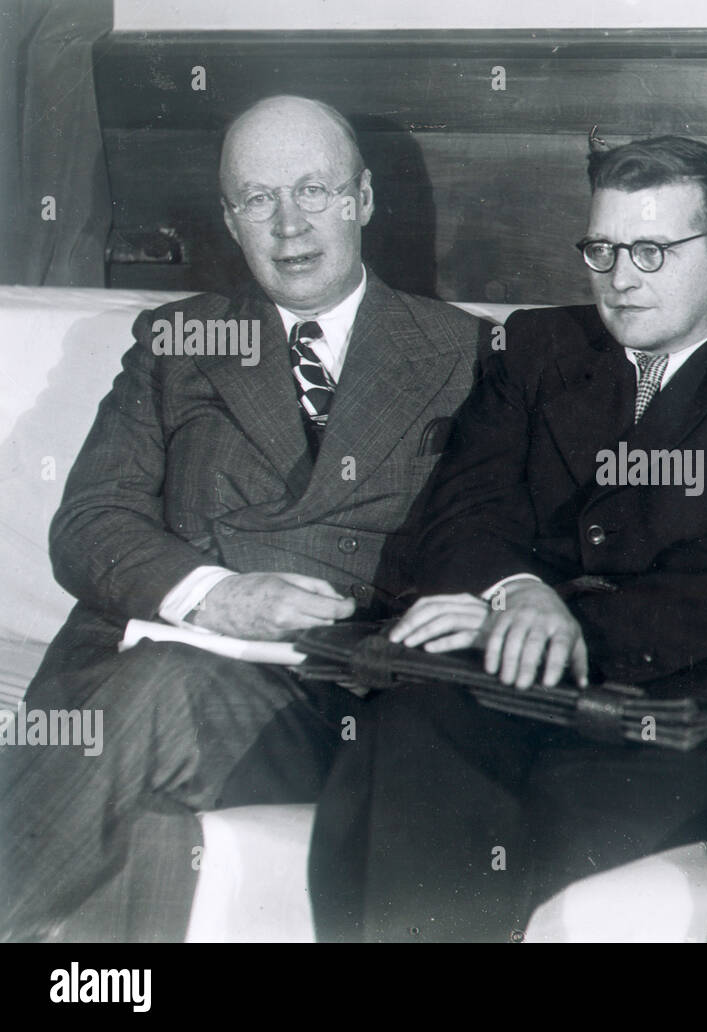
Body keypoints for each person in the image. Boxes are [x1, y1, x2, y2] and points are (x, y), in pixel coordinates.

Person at [308, 135, 707, 941]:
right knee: (405, 739)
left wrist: (558, 621)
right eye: (601, 249)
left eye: (651, 249)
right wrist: (516, 594)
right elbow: (463, 506)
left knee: (551, 825)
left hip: (691, 700)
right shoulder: (538, 347)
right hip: (506, 674)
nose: (620, 277)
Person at [0, 95, 488, 942]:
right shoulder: (181, 340)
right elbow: (91, 521)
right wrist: (215, 595)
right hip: (147, 655)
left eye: (314, 191)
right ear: (230, 219)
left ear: (362, 200)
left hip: (324, 692)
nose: (289, 225)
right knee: (152, 800)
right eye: (259, 198)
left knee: (161, 697)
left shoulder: (464, 355)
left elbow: (499, 543)